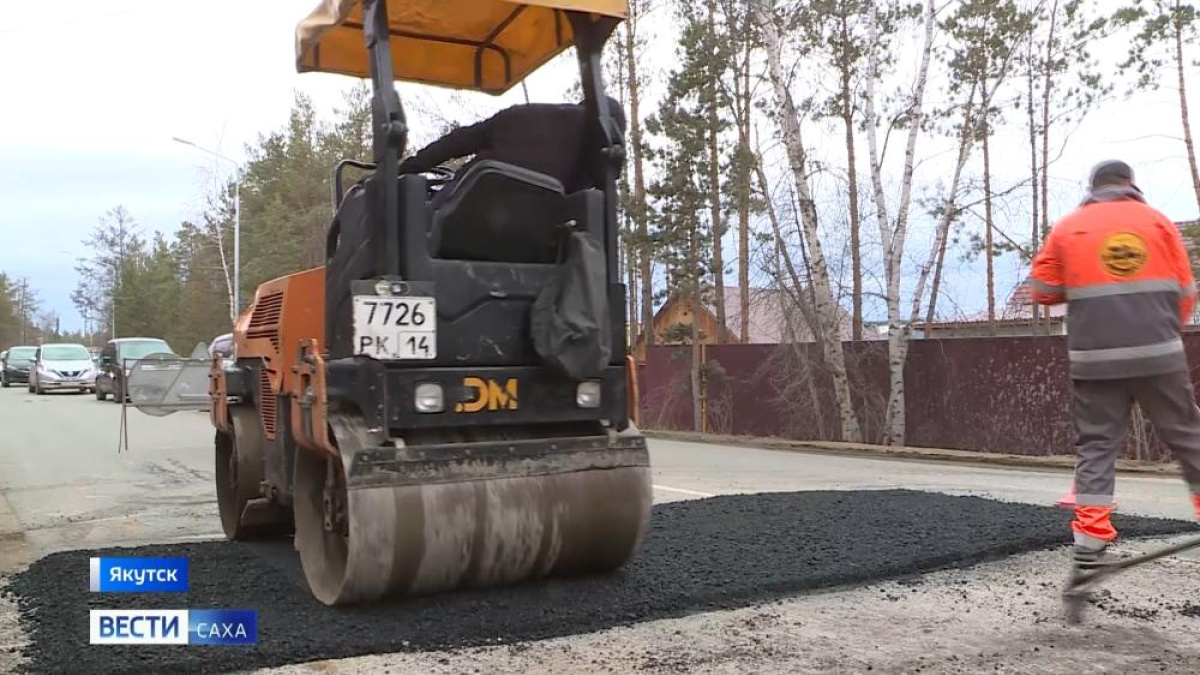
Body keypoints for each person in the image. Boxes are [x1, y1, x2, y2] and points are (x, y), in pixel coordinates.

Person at [1031, 160, 1200, 569]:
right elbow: (1185, 292)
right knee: (1188, 436)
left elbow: (1042, 290)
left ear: (1093, 187)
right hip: (1158, 352)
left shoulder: (1069, 227)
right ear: (1131, 185)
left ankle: (1089, 540)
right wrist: (1162, 335)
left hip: (1095, 359)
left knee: (1097, 444)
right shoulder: (1158, 223)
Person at [397, 95, 626, 203]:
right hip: (534, 242)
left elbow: (457, 142)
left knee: (417, 217)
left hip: (464, 212)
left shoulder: (521, 117)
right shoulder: (593, 179)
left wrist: (405, 169)